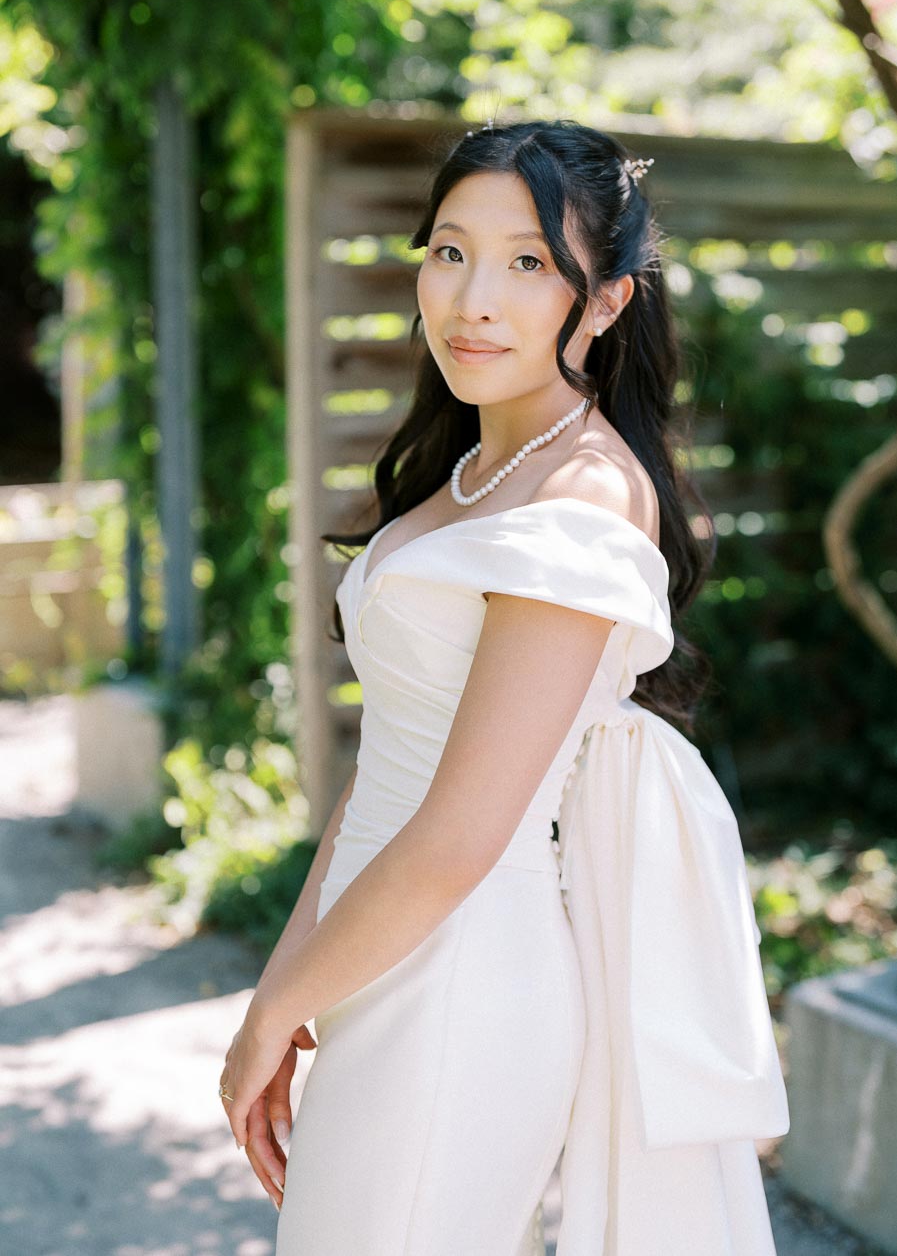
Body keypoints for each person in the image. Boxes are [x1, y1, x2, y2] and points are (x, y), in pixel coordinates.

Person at [218, 118, 789, 1255]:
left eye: (529, 262)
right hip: (376, 959)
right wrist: (285, 993)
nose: (472, 297)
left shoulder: (577, 498)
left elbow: (463, 831)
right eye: (449, 251)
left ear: (609, 298)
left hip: (464, 986)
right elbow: (384, 775)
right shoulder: (473, 469)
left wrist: (276, 1010)